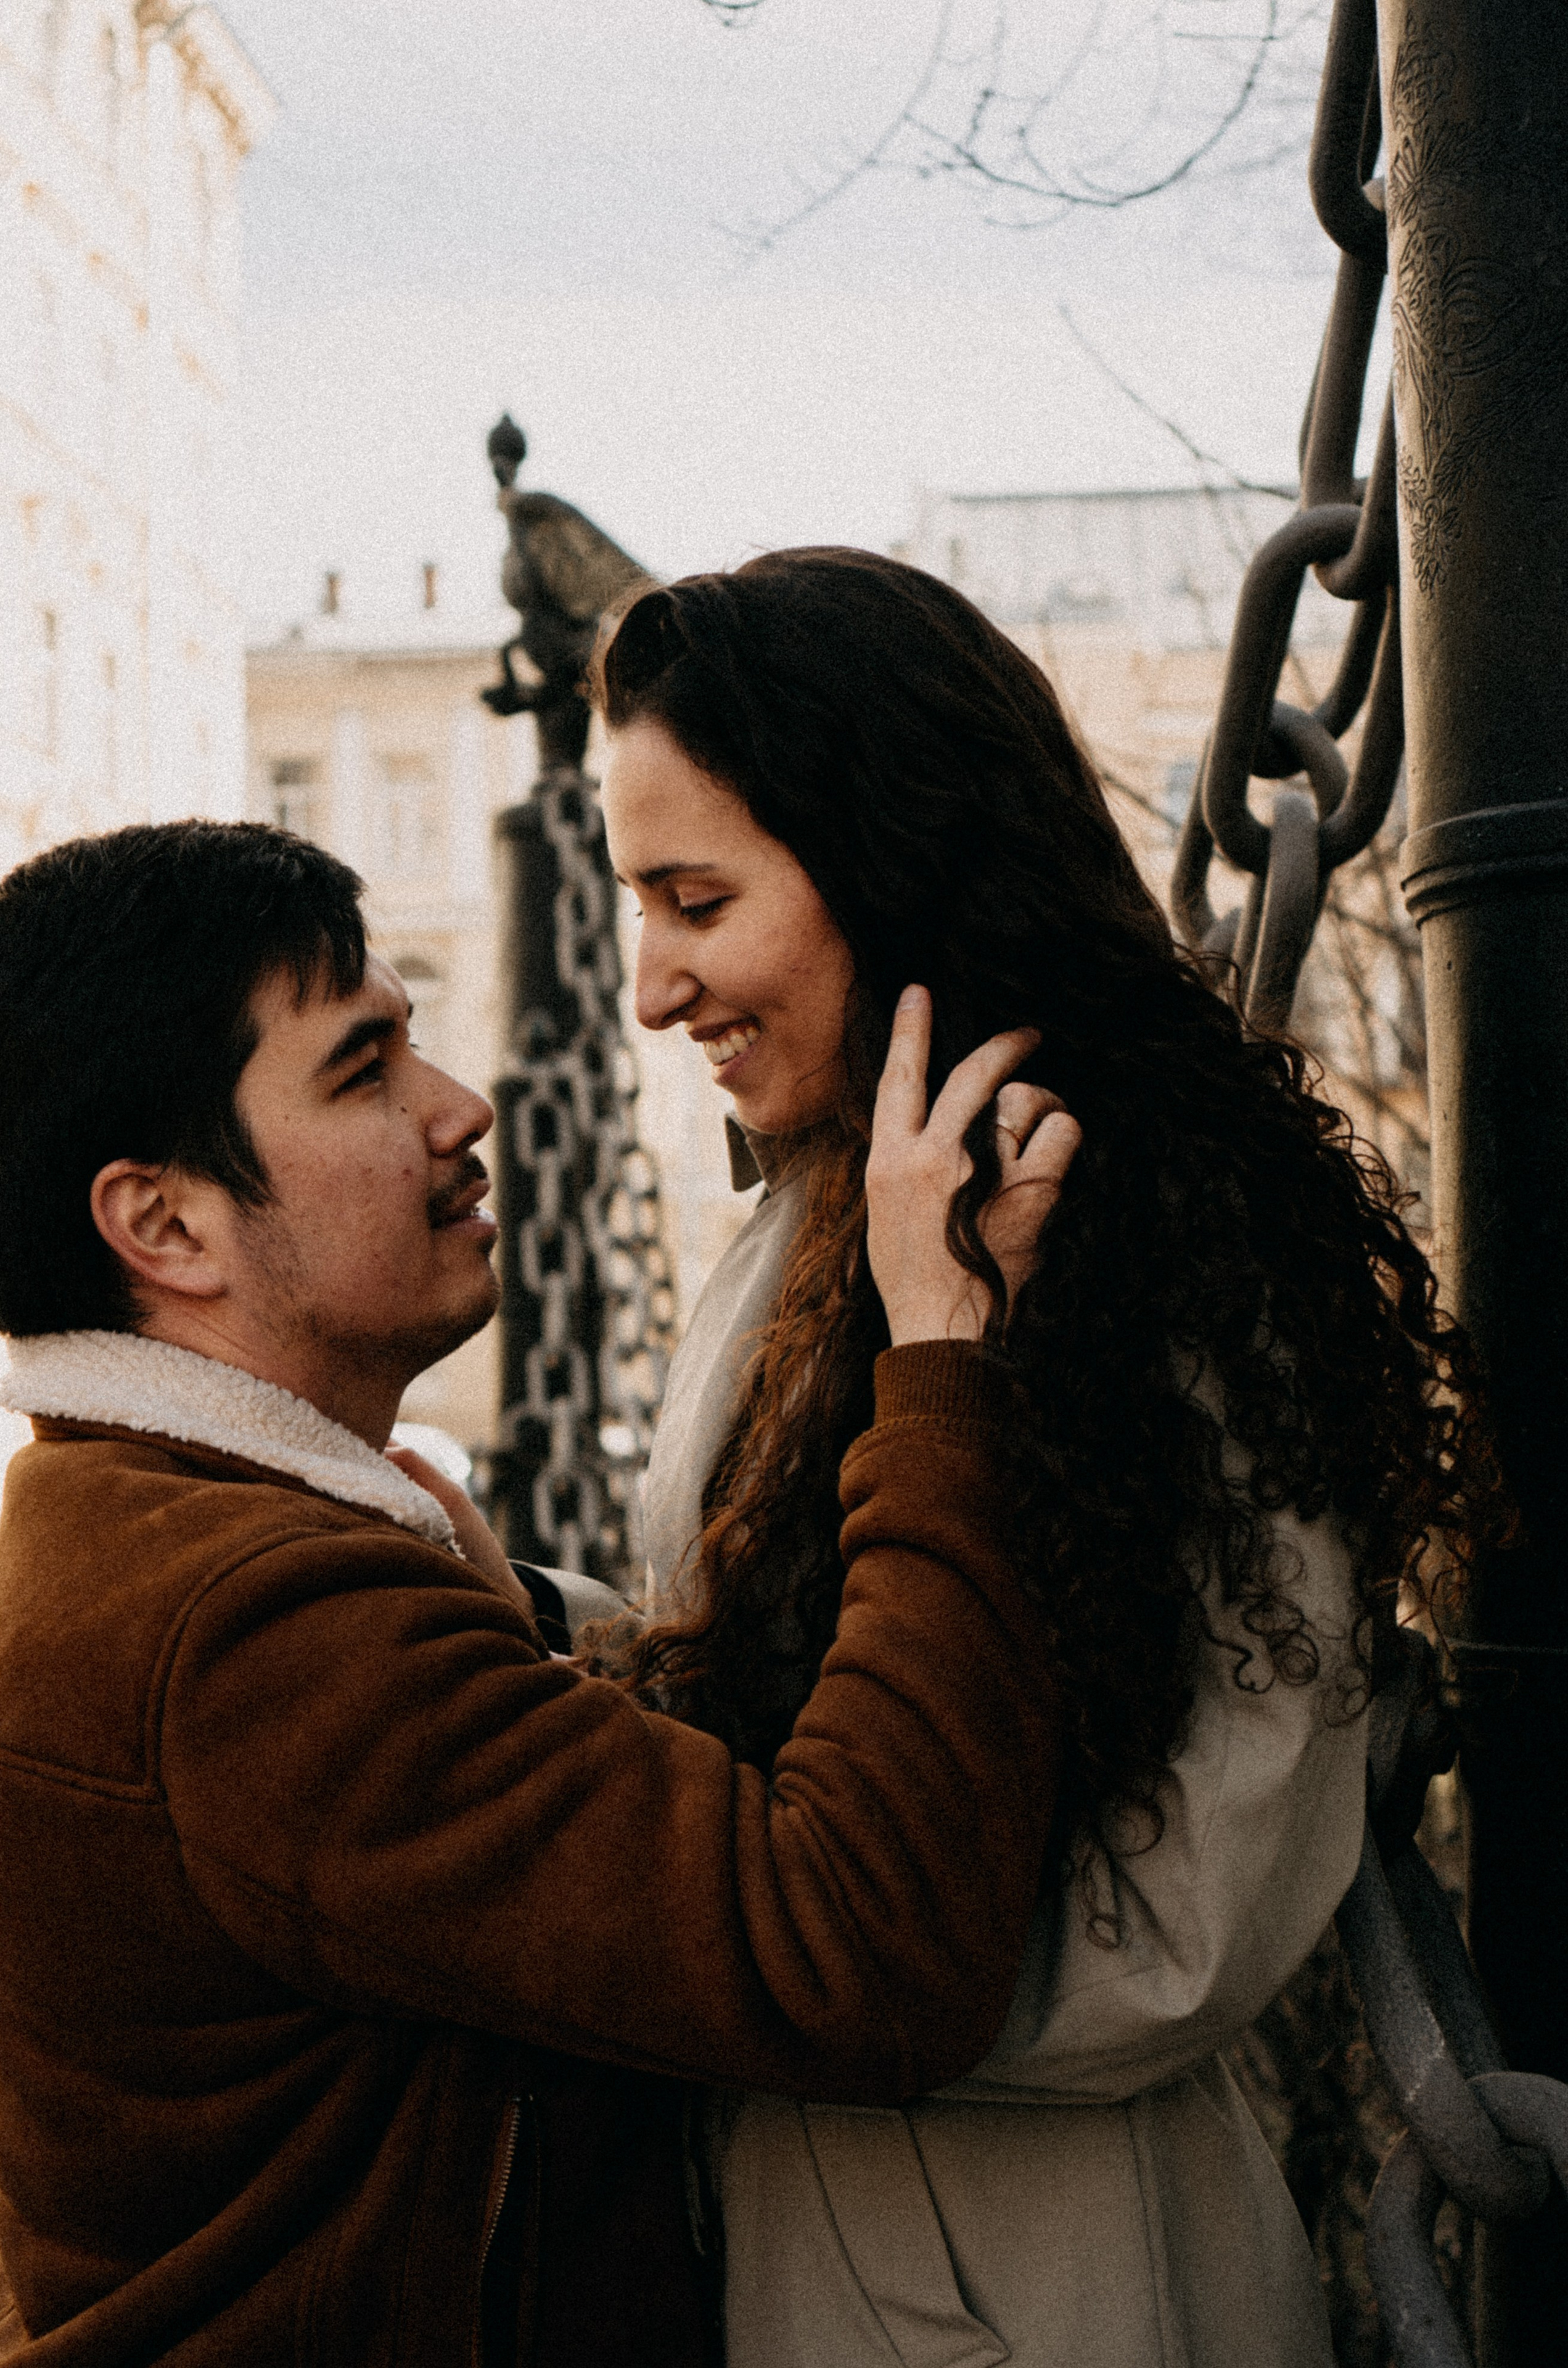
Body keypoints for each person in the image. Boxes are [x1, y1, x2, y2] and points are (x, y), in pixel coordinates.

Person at [568, 547, 1502, 2368]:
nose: (651, 987)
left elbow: (1185, 1923)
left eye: (697, 901)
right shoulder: (820, 1217)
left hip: (1043, 2281)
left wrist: (734, 1937)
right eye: (636, 904)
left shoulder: (1160, 1252)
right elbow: (777, 1666)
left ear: (885, 862)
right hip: (813, 2229)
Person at [0, 819, 1082, 2367]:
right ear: (164, 1223)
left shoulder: (115, 1531)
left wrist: (524, 1648)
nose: (459, 1107)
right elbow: (865, 1954)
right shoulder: (256, 1626)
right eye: (363, 1072)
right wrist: (942, 1361)